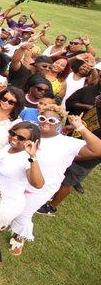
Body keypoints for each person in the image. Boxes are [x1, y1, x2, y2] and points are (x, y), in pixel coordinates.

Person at [9, 105, 101, 255]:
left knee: (24, 214)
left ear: (59, 122)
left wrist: (80, 128)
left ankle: (20, 236)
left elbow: (98, 149)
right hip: (19, 179)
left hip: (42, 188)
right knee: (12, 205)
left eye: (52, 120)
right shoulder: (30, 133)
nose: (46, 122)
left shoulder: (67, 143)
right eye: (42, 118)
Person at [0, 122, 44, 231]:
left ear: (30, 142)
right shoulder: (7, 147)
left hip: (4, 205)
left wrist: (33, 156)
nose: (14, 138)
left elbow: (38, 184)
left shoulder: (27, 159)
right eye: (12, 133)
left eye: (21, 137)